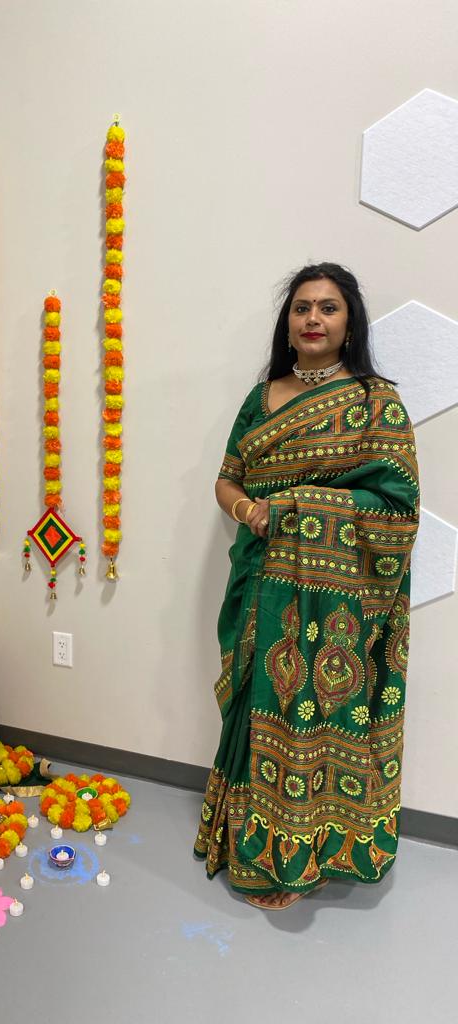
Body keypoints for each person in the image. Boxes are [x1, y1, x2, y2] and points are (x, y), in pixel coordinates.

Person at [194, 263, 419, 910]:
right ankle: (254, 848)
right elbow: (228, 479)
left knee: (319, 717)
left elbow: (399, 510)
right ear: (287, 322)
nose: (313, 318)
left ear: (350, 323)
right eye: (301, 308)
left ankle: (313, 851)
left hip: (339, 602)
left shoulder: (376, 403)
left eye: (327, 307)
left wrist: (303, 505)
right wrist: (251, 511)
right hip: (263, 583)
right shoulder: (261, 397)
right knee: (261, 707)